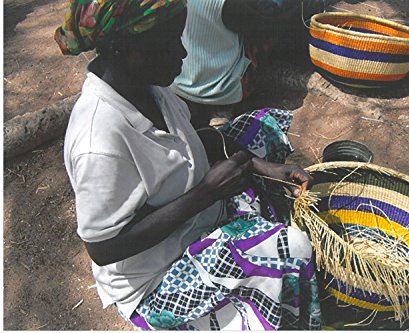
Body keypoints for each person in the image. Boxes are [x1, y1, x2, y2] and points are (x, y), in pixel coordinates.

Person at [54, 0, 321, 330]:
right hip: (157, 277)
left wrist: (260, 165)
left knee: (262, 126)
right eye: (169, 42)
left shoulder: (147, 86)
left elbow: (191, 137)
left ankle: (247, 222)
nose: (182, 53)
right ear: (126, 48)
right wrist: (208, 192)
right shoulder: (100, 142)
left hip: (197, 212)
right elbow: (105, 248)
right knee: (292, 247)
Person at [170, 0, 326, 129]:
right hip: (220, 90)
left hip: (181, 83)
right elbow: (263, 29)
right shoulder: (230, 4)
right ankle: (223, 108)